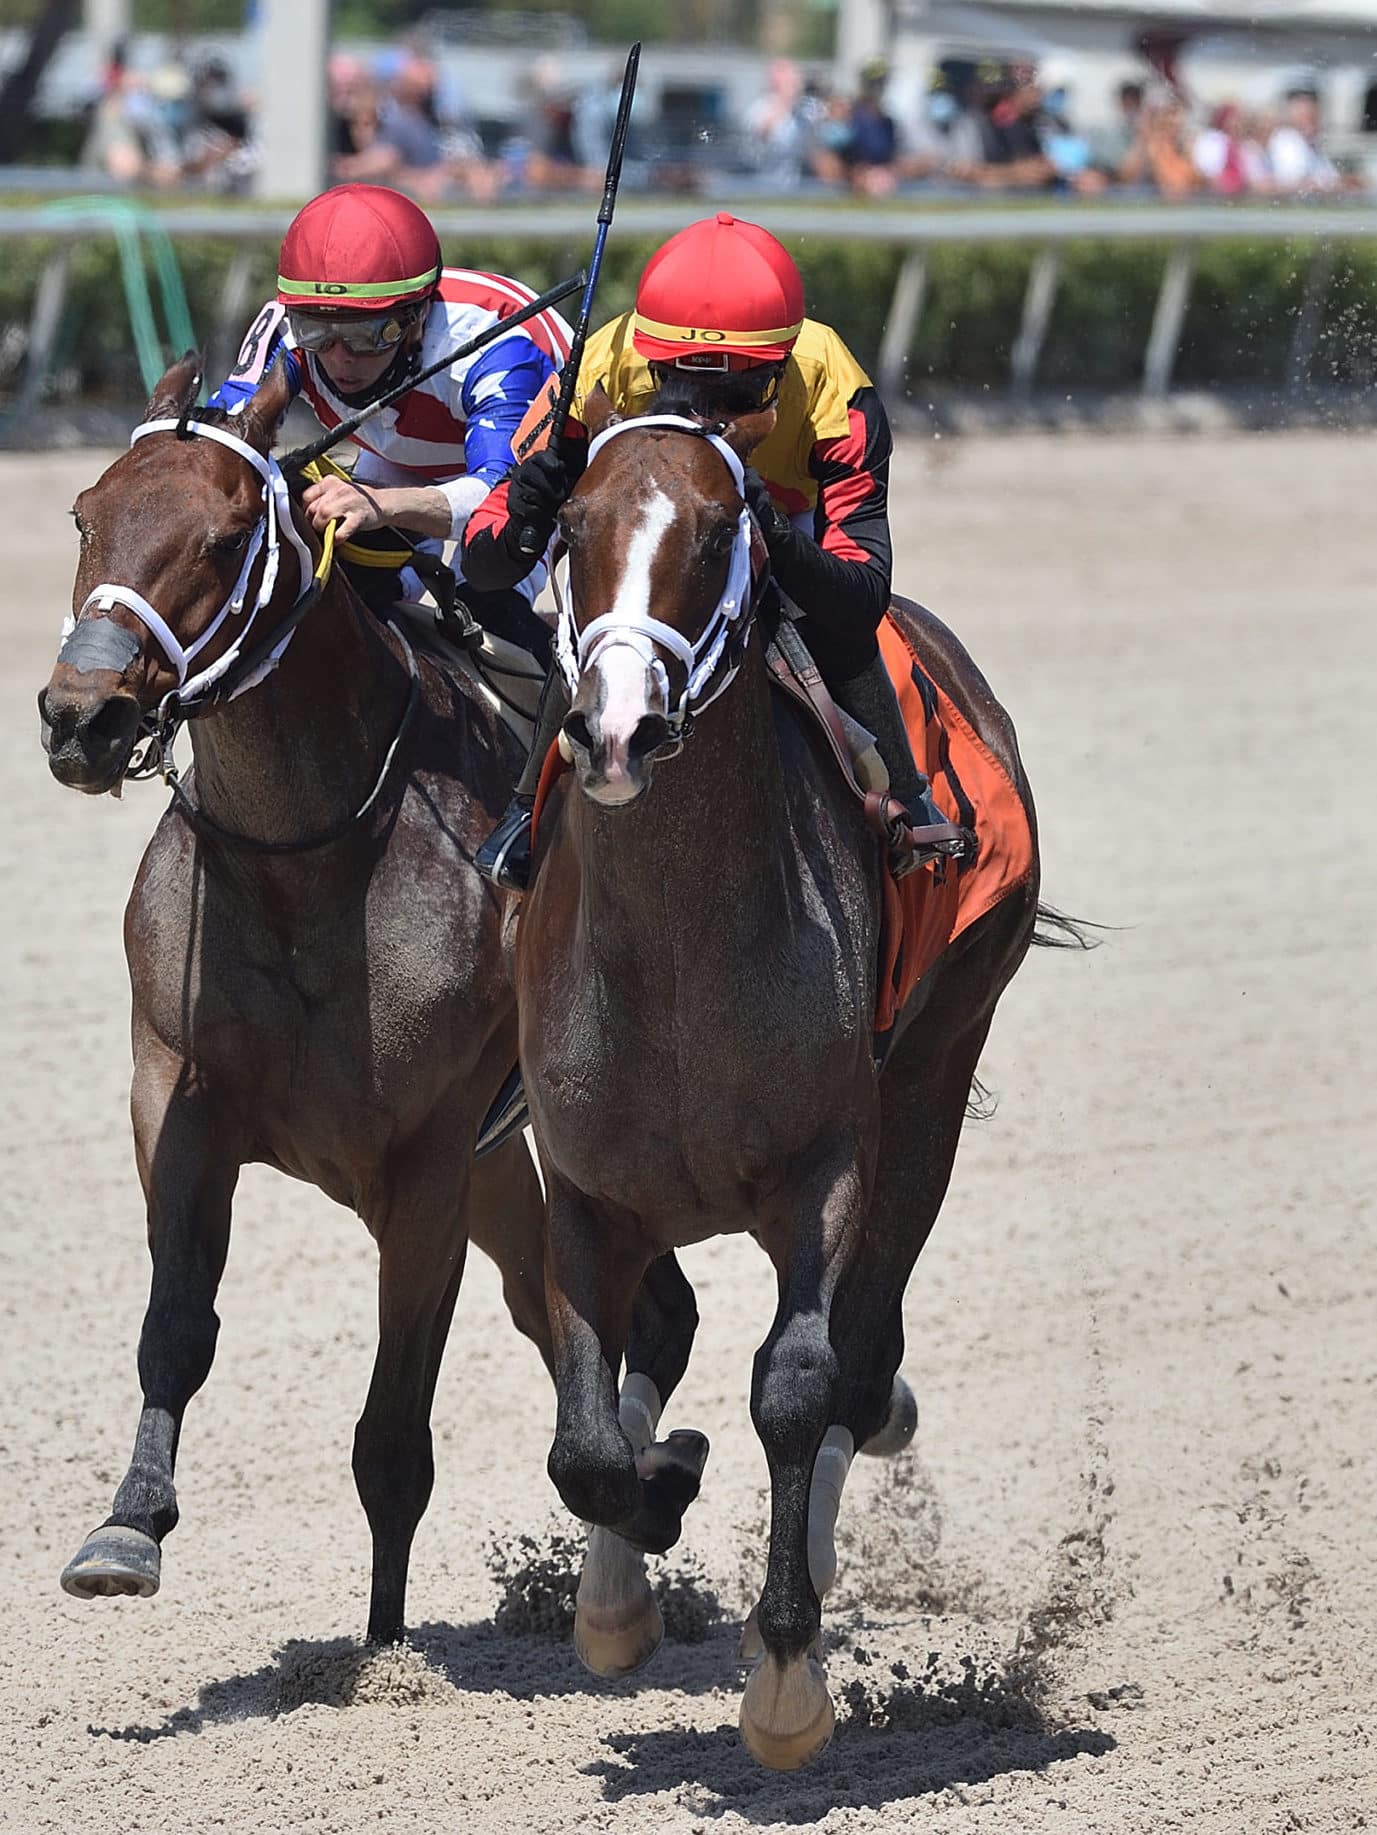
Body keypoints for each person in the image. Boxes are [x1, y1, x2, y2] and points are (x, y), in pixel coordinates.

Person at [464, 211, 948, 892]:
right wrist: (525, 512)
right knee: (607, 613)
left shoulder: (835, 385)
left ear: (783, 364)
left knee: (826, 627)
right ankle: (525, 808)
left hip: (785, 516)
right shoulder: (597, 369)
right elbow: (483, 565)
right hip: (653, 519)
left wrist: (775, 535)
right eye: (680, 385)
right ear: (648, 358)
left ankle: (905, 795)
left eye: (739, 391)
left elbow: (861, 595)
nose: (707, 411)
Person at [206, 183, 569, 653]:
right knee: (347, 593)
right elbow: (220, 437)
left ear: (417, 316)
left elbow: (499, 494)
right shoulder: (287, 329)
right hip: (401, 458)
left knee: (481, 607)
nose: (338, 358)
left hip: (532, 478)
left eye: (365, 335)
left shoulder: (499, 344)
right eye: (317, 331)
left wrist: (382, 505)